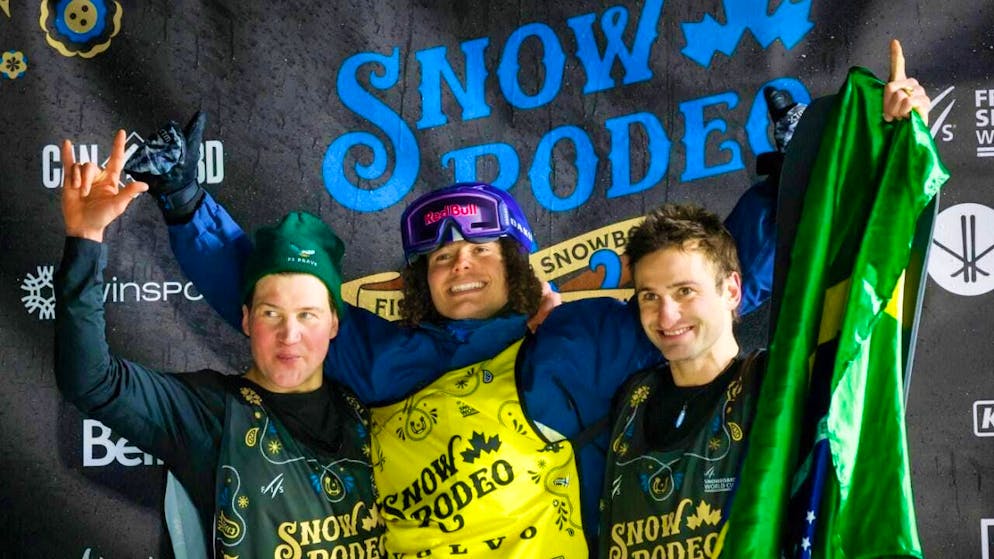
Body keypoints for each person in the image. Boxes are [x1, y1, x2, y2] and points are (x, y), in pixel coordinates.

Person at [125, 40, 930, 556]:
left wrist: (791, 183)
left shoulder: (571, 341)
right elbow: (274, 297)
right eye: (441, 257)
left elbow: (715, 295)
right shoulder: (377, 353)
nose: (462, 266)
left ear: (516, 266)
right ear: (418, 281)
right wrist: (191, 205)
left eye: (480, 249)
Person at [54, 131, 383, 557]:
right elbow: (91, 381)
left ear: (334, 323)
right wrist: (86, 239)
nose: (290, 334)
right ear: (246, 319)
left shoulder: (369, 408)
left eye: (308, 315)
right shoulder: (210, 413)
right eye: (271, 313)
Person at [598, 204, 759, 559]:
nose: (666, 316)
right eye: (650, 296)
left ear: (731, 290)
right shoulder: (632, 397)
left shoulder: (770, 388)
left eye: (685, 291)